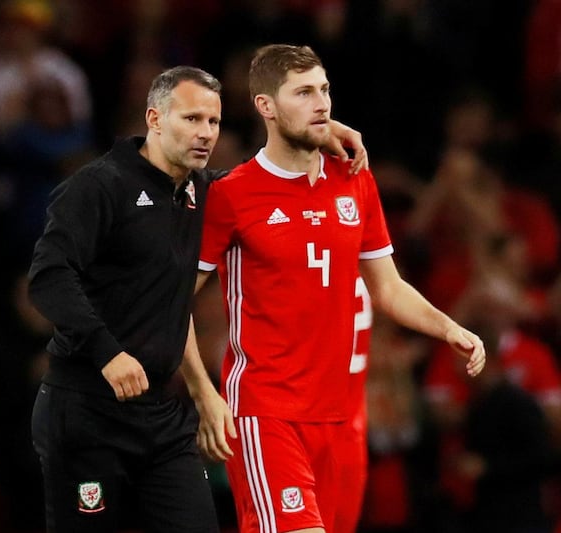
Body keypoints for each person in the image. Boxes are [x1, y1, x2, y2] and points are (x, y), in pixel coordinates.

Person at [27, 64, 367, 532]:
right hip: (87, 408)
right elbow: (48, 277)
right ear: (154, 119)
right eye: (191, 119)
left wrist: (319, 128)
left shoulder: (203, 191)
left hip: (163, 418)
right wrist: (107, 352)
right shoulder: (100, 185)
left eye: (213, 121)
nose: (205, 133)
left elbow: (265, 178)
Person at [193, 44, 486, 533]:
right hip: (266, 412)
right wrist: (205, 394)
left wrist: (449, 327)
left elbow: (388, 288)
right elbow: (177, 298)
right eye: (303, 92)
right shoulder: (231, 194)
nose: (322, 103)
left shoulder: (354, 179)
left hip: (338, 416)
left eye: (324, 90)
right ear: (265, 106)